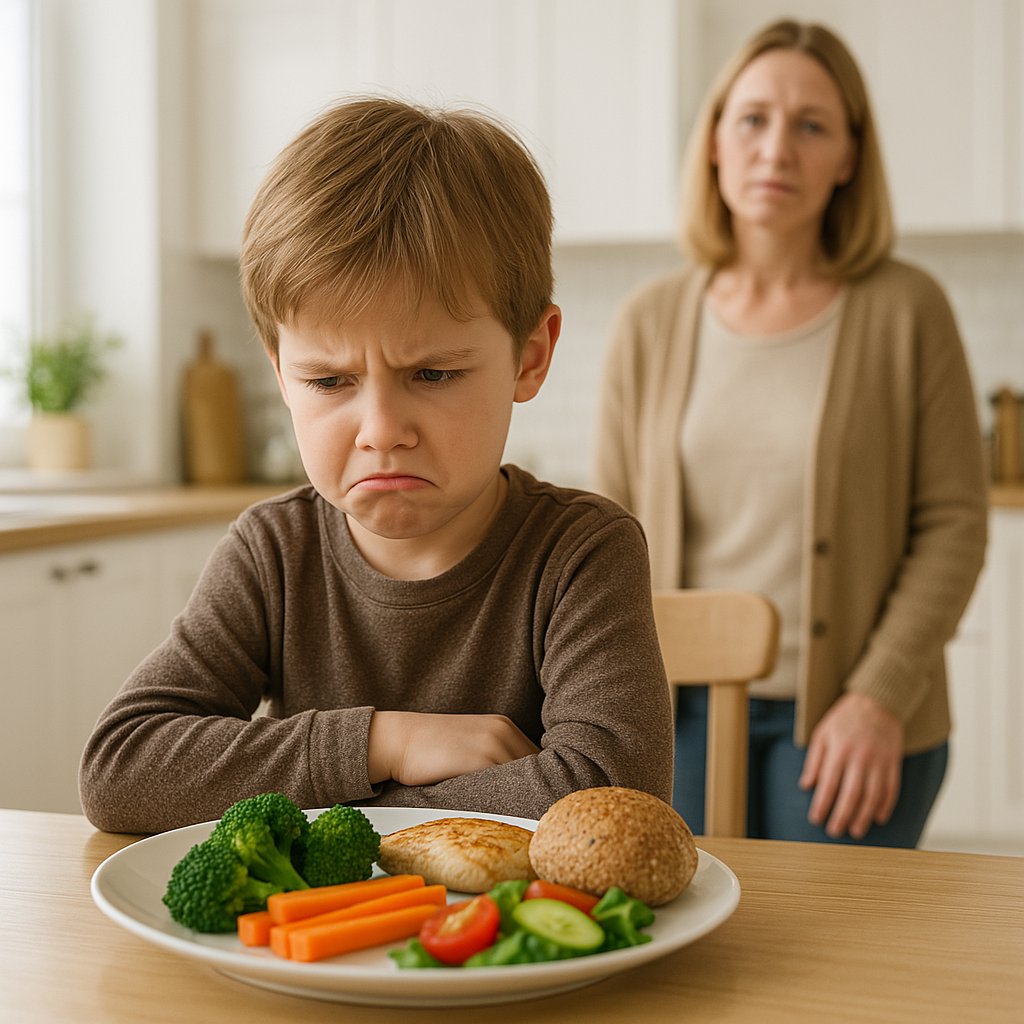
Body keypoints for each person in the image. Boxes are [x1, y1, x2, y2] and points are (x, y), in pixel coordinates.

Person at [79, 97, 673, 834]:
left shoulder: (582, 552)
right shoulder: (272, 552)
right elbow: (121, 769)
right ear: (281, 375)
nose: (382, 431)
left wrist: (335, 818)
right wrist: (385, 742)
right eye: (329, 381)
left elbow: (613, 797)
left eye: (433, 374)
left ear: (530, 357)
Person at [593, 20, 987, 846]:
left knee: (822, 928)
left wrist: (879, 695)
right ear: (714, 141)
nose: (777, 148)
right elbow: (608, 535)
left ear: (848, 157)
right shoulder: (648, 320)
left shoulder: (909, 310)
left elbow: (953, 525)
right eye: (753, 119)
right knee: (682, 917)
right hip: (676, 711)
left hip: (852, 716)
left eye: (811, 125)